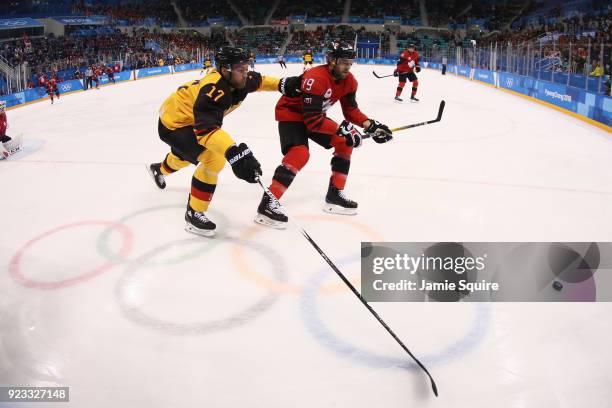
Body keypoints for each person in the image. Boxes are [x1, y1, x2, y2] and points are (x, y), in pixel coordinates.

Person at [147, 47, 302, 237]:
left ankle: (159, 169)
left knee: (185, 156)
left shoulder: (239, 79)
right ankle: (194, 212)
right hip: (174, 123)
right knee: (213, 158)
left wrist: (282, 84)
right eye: (240, 69)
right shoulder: (212, 90)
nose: (245, 73)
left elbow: (259, 80)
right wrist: (233, 153)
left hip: (190, 118)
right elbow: (207, 132)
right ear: (224, 70)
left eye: (246, 67)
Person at [254, 41, 393, 229]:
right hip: (292, 114)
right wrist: (344, 129)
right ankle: (268, 204)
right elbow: (313, 121)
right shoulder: (315, 78)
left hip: (314, 116)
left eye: (350, 62)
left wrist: (371, 125)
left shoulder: (350, 81)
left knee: (345, 143)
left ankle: (335, 194)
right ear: (331, 60)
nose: (348, 67)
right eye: (344, 62)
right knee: (299, 154)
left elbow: (351, 111)